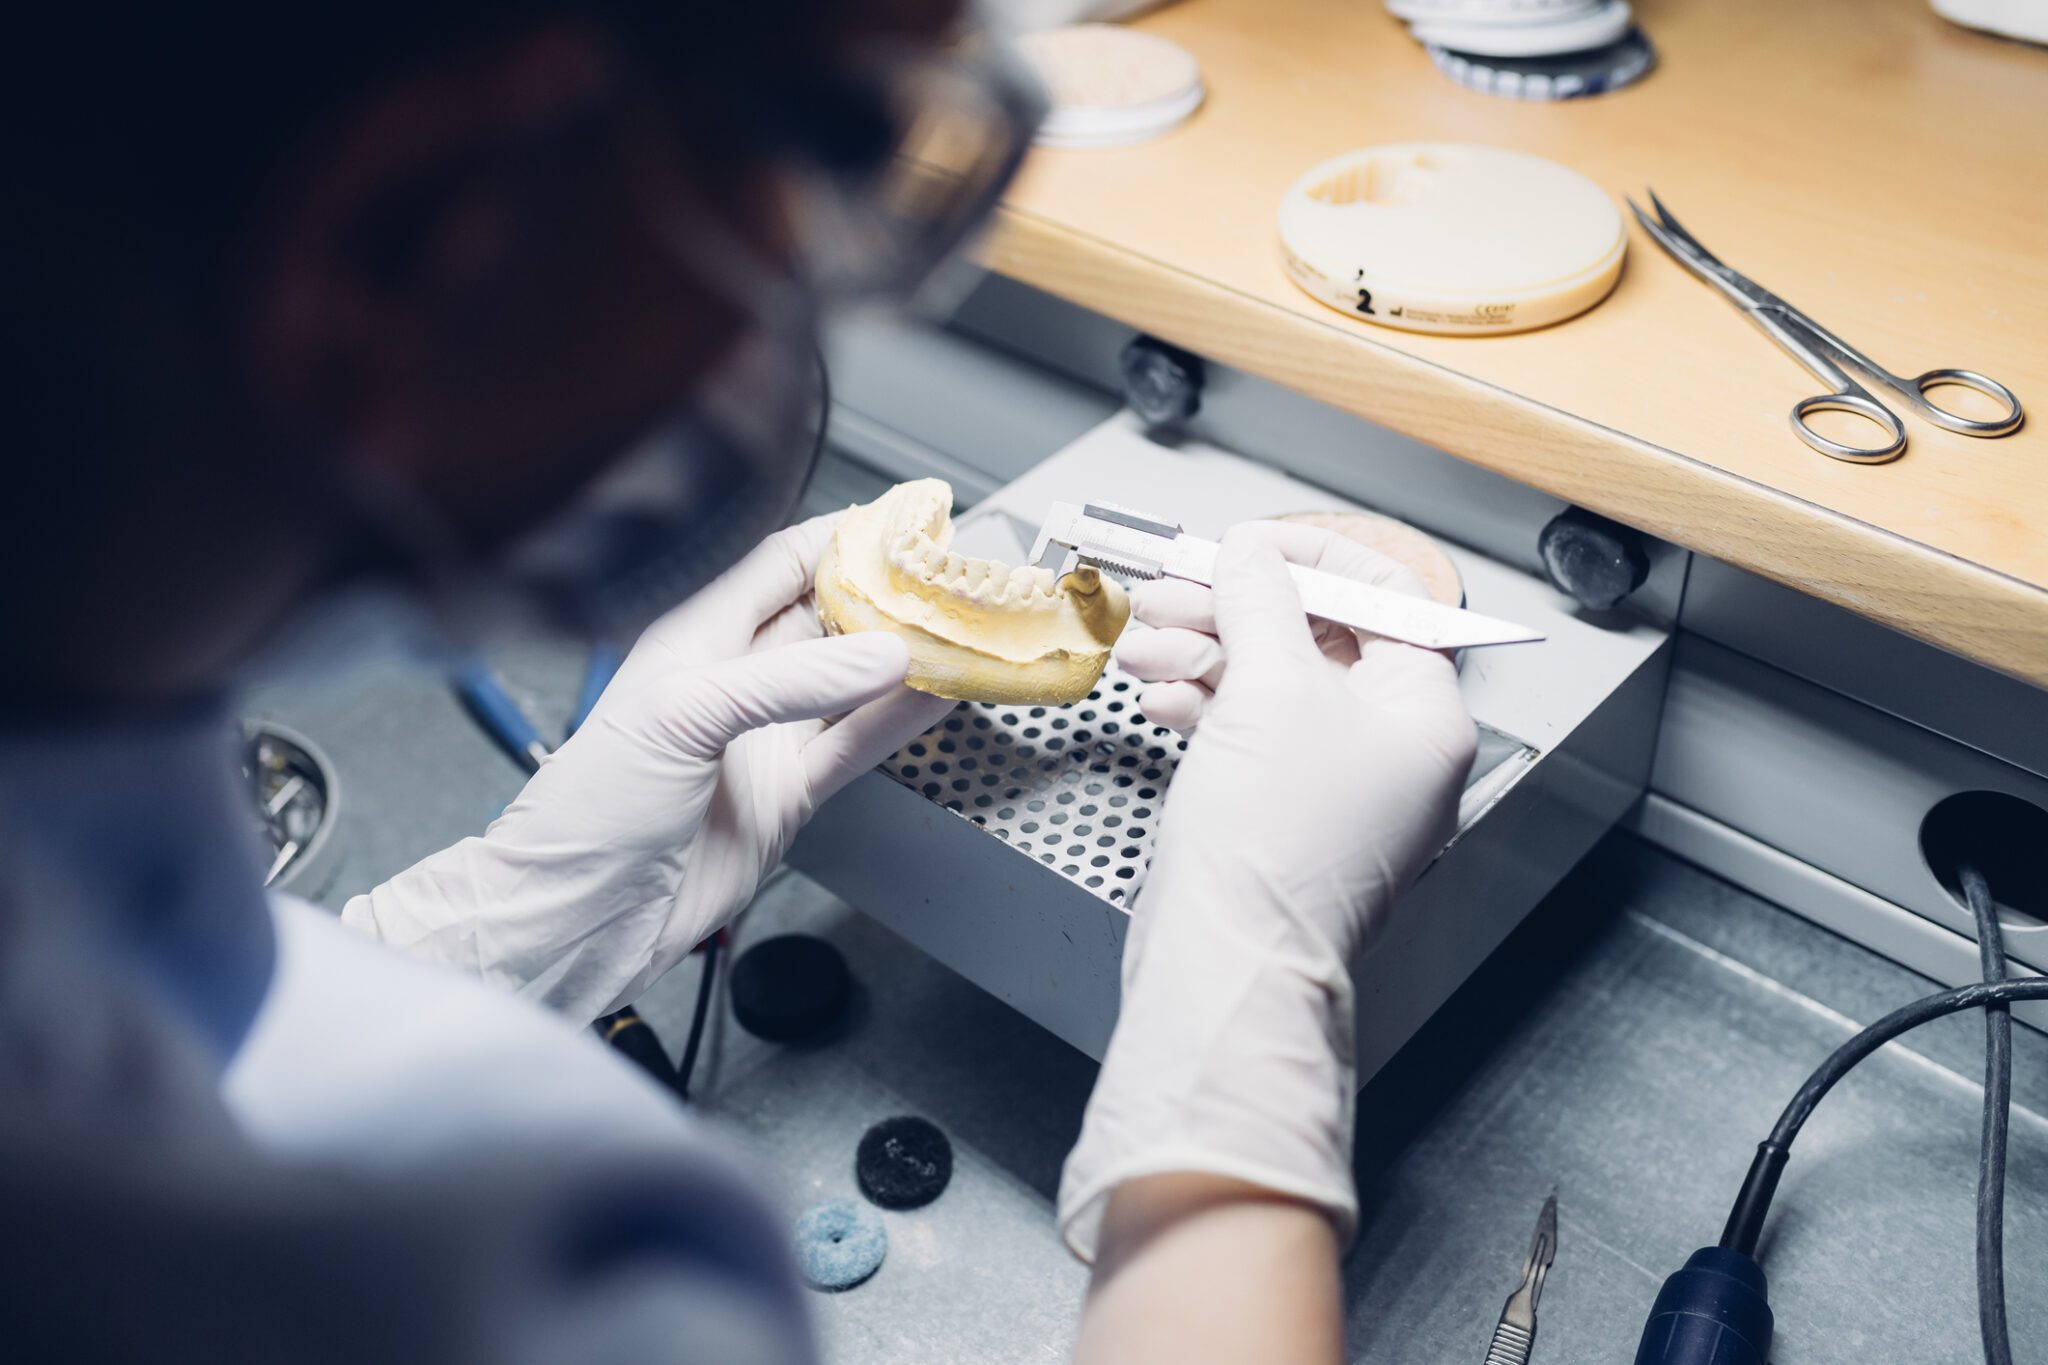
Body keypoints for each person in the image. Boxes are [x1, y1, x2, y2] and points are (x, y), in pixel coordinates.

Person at [0, 3, 1474, 1362]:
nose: (799, 282)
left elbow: (191, 1041)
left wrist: (514, 912)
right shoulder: (502, 1278)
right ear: (415, 234)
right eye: (822, 149)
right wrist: (1236, 1059)